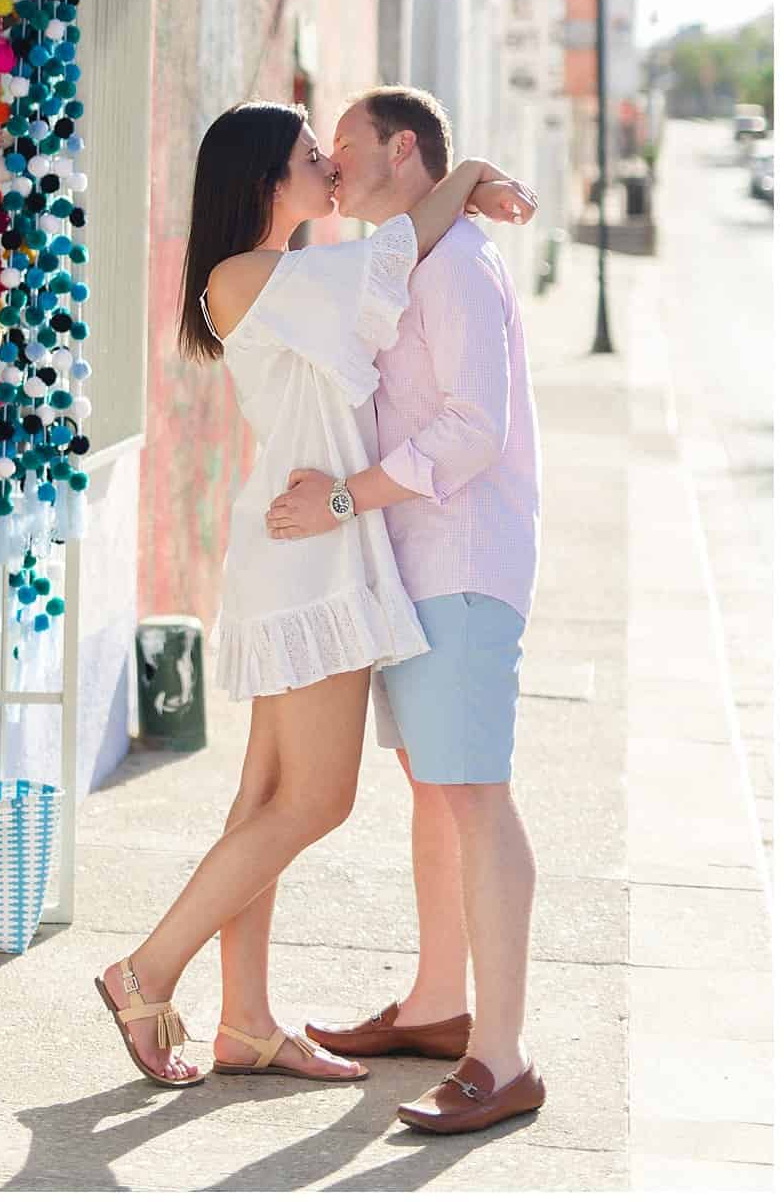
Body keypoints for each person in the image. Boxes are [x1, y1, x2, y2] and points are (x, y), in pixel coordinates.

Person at [95, 100, 534, 1090]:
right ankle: (146, 969)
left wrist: (458, 184)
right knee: (316, 800)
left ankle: (245, 1022)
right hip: (311, 554)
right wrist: (463, 179)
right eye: (310, 155)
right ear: (264, 178)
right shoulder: (255, 275)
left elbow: (382, 266)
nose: (330, 168)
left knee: (261, 799)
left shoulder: (275, 276)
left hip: (304, 544)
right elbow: (392, 258)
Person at [270, 87, 545, 1136]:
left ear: (399, 147)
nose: (330, 166)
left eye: (340, 146)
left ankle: (503, 1055)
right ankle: (438, 1007)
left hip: (464, 563)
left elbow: (475, 428)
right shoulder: (409, 258)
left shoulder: (461, 265)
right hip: (419, 565)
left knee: (475, 795)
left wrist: (345, 499)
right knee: (435, 790)